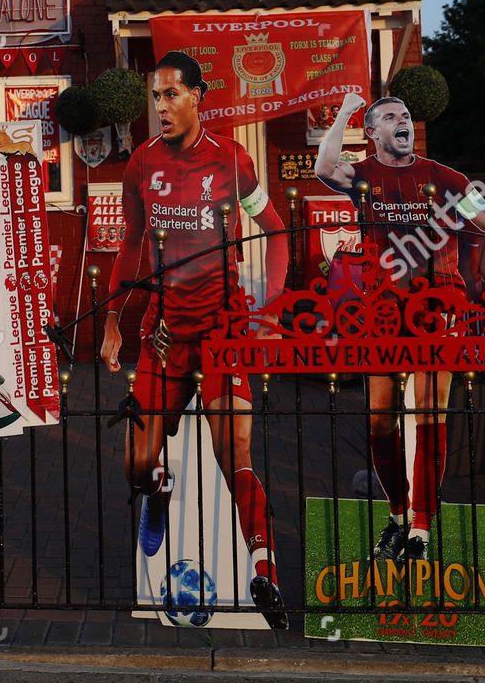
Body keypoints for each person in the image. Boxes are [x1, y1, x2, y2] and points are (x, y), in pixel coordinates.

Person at [99, 51, 291, 627]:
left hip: (223, 333)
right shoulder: (140, 165)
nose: (161, 106)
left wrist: (273, 306)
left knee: (234, 455)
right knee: (137, 465)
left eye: (171, 94)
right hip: (162, 337)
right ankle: (157, 494)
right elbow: (130, 244)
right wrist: (112, 319)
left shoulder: (233, 160)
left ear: (197, 96)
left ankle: (265, 571)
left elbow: (276, 230)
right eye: (155, 96)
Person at [316, 91, 485, 565]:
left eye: (407, 116)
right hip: (383, 310)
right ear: (372, 132)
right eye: (391, 117)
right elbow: (323, 166)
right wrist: (343, 113)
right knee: (378, 418)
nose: (403, 121)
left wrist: (480, 212)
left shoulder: (443, 176)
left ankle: (421, 526)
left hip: (440, 306)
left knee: (430, 413)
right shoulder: (364, 176)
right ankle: (398, 515)